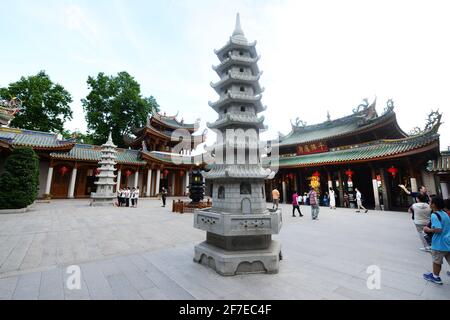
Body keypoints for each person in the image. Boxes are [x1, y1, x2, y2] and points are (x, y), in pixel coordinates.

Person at [422, 197, 450, 285]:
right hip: (448, 241)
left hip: (439, 243)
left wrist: (427, 229)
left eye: (430, 202)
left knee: (436, 261)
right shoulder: (445, 214)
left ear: (434, 204)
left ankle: (435, 277)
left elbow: (438, 229)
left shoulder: (434, 215)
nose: (429, 203)